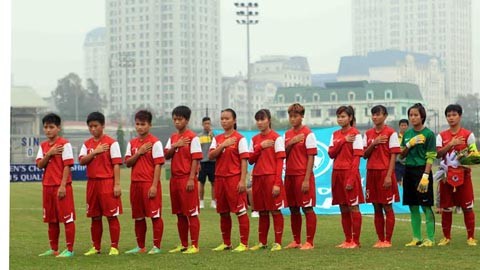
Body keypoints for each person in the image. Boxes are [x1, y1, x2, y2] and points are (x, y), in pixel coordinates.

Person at [79, 111, 123, 256]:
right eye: (90, 126)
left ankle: (114, 247)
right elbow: (82, 161)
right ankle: (96, 247)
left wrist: (116, 184)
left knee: (111, 216)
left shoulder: (112, 143)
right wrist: (94, 152)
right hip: (92, 184)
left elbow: (116, 164)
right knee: (94, 216)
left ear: (102, 125)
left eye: (95, 126)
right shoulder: (87, 144)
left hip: (107, 182)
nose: (93, 129)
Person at [124, 110, 166, 254]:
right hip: (135, 184)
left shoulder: (155, 143)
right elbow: (128, 163)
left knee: (155, 216)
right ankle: (140, 247)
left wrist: (154, 186)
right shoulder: (132, 143)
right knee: (139, 217)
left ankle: (157, 246)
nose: (140, 127)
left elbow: (158, 165)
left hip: (149, 183)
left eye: (143, 124)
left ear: (149, 125)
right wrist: (139, 152)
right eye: (137, 124)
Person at [208, 108, 250, 252]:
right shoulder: (217, 138)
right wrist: (223, 145)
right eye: (222, 119)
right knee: (223, 212)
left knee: (240, 211)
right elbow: (211, 155)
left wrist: (242, 180)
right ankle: (226, 243)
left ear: (234, 120)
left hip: (234, 178)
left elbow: (244, 160)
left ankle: (244, 243)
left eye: (227, 118)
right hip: (220, 179)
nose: (224, 121)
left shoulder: (240, 138)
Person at [435, 104, 477, 246]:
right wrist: (451, 144)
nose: (451, 118)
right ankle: (446, 237)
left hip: (463, 176)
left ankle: (470, 237)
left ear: (460, 116)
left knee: (467, 207)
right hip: (446, 176)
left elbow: (474, 155)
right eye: (448, 115)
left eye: (454, 115)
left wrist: (464, 159)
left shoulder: (468, 135)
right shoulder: (441, 136)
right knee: (446, 207)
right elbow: (438, 154)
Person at [36, 113, 76, 258]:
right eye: (45, 127)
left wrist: (63, 186)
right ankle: (54, 249)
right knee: (51, 219)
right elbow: (40, 165)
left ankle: (70, 250)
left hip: (61, 187)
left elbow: (67, 166)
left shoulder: (65, 144)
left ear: (58, 128)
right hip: (47, 186)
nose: (48, 130)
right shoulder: (43, 146)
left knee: (67, 218)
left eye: (51, 127)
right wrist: (49, 154)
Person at [164, 105, 203, 254]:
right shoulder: (173, 138)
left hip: (187, 178)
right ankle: (183, 244)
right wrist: (175, 146)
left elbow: (195, 159)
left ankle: (195, 245)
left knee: (191, 213)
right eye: (174, 119)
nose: (176, 122)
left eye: (179, 119)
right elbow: (166, 155)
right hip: (175, 179)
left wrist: (191, 179)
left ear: (186, 120)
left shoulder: (193, 138)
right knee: (179, 213)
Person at [363, 105, 401, 248]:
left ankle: (388, 240)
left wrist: (389, 175)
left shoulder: (391, 133)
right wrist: (374, 143)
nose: (375, 117)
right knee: (376, 207)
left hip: (385, 172)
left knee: (387, 206)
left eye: (378, 114)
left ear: (385, 116)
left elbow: (393, 156)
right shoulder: (367, 134)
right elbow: (364, 155)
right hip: (371, 172)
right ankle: (380, 239)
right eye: (373, 115)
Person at [248, 109, 286, 252]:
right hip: (258, 178)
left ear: (269, 120)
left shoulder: (277, 138)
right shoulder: (254, 140)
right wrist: (260, 147)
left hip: (271, 178)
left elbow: (279, 162)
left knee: (275, 211)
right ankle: (262, 242)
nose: (259, 122)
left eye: (262, 119)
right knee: (262, 212)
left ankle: (277, 242)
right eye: (257, 120)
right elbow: (251, 160)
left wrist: (277, 183)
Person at [400, 103, 436, 247]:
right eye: (411, 115)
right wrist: (410, 144)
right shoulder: (407, 134)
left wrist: (425, 176)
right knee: (412, 205)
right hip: (408, 171)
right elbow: (401, 156)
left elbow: (431, 156)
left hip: (422, 171)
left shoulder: (429, 134)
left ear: (422, 116)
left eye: (416, 115)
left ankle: (431, 238)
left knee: (426, 206)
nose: (413, 118)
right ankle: (416, 237)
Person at [328, 105, 364, 249]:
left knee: (353, 207)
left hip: (350, 173)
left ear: (350, 118)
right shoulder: (335, 134)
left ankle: (356, 241)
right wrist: (343, 141)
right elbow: (331, 154)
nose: (340, 119)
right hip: (336, 173)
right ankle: (347, 239)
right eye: (338, 116)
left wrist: (351, 178)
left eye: (343, 116)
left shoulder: (356, 134)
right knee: (343, 207)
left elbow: (356, 158)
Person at [283, 103, 318, 250]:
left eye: (295, 116)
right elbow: (283, 153)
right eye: (290, 116)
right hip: (289, 175)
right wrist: (291, 142)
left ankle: (309, 242)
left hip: (302, 176)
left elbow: (311, 157)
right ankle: (296, 240)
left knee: (307, 208)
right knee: (293, 208)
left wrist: (306, 179)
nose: (292, 119)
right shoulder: (287, 134)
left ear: (302, 116)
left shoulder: (308, 134)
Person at [198, 116, 216, 209]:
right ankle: (201, 202)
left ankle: (213, 201)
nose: (207, 125)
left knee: (214, 183)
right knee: (202, 182)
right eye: (205, 123)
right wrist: (198, 163)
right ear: (202, 124)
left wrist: (212, 136)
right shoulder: (199, 136)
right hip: (202, 162)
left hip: (212, 162)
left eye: (208, 123)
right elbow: (197, 150)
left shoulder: (214, 135)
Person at [395, 119, 409, 186]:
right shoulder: (395, 137)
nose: (403, 127)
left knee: (407, 182)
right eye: (402, 125)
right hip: (398, 163)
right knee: (398, 181)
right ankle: (399, 195)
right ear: (399, 126)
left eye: (405, 125)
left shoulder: (410, 136)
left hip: (408, 163)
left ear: (407, 126)